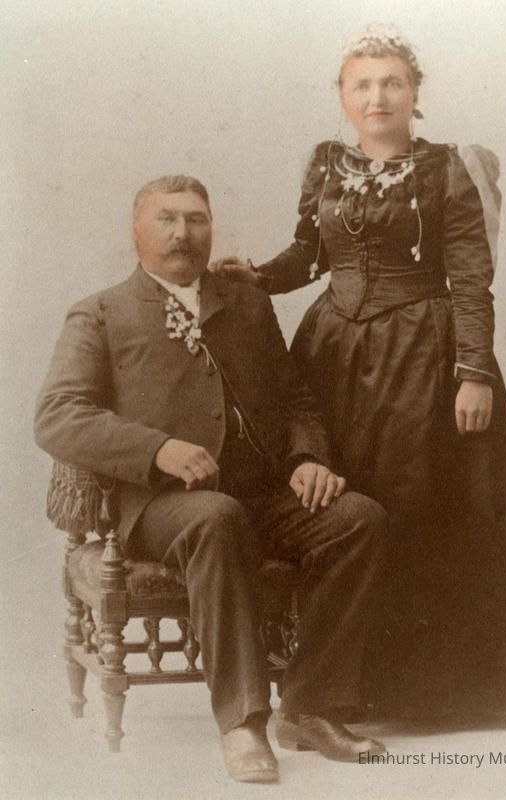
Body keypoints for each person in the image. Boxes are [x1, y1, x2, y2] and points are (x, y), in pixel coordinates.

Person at [211, 24, 506, 717]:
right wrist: (258, 276)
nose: (377, 97)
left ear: (414, 93)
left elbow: (470, 278)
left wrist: (474, 373)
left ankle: (418, 692)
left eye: (392, 83)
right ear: (342, 96)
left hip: (422, 358)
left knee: (415, 506)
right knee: (343, 504)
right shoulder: (326, 166)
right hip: (333, 356)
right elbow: (310, 256)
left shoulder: (449, 168)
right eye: (362, 85)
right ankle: (338, 682)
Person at [34, 175, 391, 783]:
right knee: (215, 517)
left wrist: (307, 457)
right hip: (162, 507)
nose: (183, 233)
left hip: (261, 495)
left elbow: (296, 400)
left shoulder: (247, 305)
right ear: (137, 232)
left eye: (196, 219)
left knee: (359, 519)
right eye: (167, 219)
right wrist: (159, 449)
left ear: (211, 229)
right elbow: (58, 415)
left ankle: (311, 707)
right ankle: (243, 722)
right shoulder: (101, 313)